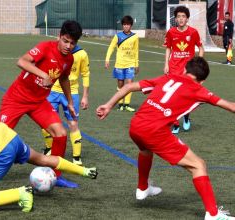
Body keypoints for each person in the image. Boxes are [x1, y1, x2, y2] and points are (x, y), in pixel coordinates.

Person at [97, 57, 235, 220]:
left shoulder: (168, 77)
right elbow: (231, 107)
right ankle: (213, 214)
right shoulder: (199, 89)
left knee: (146, 149)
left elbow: (128, 86)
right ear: (202, 81)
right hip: (154, 132)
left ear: (184, 70)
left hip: (136, 125)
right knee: (198, 165)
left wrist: (108, 105)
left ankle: (143, 188)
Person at [0, 20, 83, 188]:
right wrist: (43, 74)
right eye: (65, 41)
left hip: (38, 102)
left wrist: (70, 102)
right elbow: (21, 61)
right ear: (59, 36)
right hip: (16, 99)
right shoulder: (45, 47)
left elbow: (64, 78)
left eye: (72, 43)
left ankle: (55, 175)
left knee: (60, 133)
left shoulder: (70, 59)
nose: (68, 46)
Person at [41, 44, 90, 166]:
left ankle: (76, 157)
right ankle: (49, 149)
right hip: (53, 92)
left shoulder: (82, 54)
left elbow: (85, 74)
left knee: (73, 124)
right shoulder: (57, 51)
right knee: (47, 122)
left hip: (72, 93)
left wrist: (85, 96)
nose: (69, 44)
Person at [163, 6, 204, 134]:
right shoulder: (171, 32)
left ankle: (186, 116)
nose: (181, 19)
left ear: (187, 18)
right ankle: (175, 124)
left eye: (183, 16)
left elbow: (201, 48)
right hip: (174, 68)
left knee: (186, 96)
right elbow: (168, 48)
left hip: (188, 70)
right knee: (173, 96)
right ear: (175, 18)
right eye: (178, 16)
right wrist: (166, 64)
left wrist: (198, 63)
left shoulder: (193, 32)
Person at [105, 15, 139, 112]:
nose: (126, 26)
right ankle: (120, 104)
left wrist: (136, 64)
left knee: (130, 84)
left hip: (130, 64)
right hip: (119, 64)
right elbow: (111, 47)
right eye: (124, 24)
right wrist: (107, 59)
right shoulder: (118, 36)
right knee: (120, 84)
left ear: (131, 26)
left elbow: (136, 51)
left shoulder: (135, 37)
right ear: (122, 26)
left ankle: (127, 104)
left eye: (128, 25)